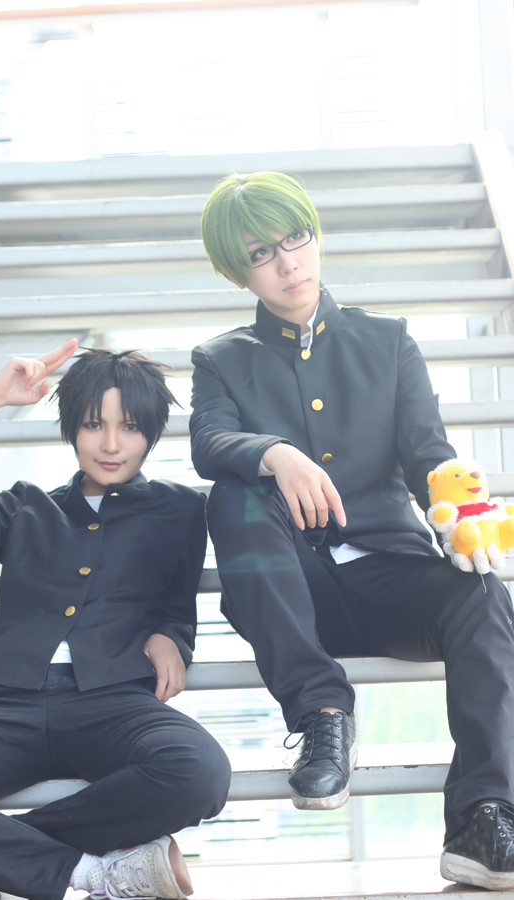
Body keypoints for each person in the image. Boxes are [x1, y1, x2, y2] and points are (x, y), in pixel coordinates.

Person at [190, 171, 514, 890]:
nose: (288, 263)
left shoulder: (387, 341)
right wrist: (275, 453)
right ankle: (322, 712)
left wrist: (458, 510)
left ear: (315, 235)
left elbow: (427, 453)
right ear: (237, 272)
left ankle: (482, 818)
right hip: (290, 591)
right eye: (261, 254)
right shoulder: (221, 360)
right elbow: (209, 442)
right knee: (234, 495)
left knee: (485, 594)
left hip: (390, 574)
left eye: (296, 239)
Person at [0, 341, 231, 900]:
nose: (110, 445)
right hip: (1, 704)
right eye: (93, 425)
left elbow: (178, 602)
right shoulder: (24, 509)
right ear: (71, 429)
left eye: (129, 427)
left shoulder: (182, 509)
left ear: (151, 434)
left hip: (112, 701)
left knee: (199, 771)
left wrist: (172, 637)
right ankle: (87, 873)